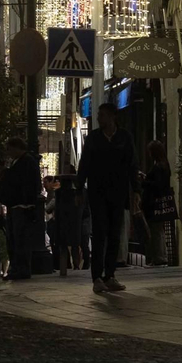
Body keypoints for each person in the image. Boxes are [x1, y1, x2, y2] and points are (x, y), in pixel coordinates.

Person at [77, 103, 136, 294]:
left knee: (114, 234)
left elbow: (131, 164)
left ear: (112, 117)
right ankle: (97, 278)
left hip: (118, 192)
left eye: (102, 115)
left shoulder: (124, 137)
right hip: (98, 193)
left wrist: (136, 190)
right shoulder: (93, 138)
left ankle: (110, 275)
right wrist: (79, 189)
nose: (99, 119)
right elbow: (84, 164)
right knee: (100, 233)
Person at [0, 137, 43, 280]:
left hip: (22, 206)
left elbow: (27, 183)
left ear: (16, 147)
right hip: (16, 205)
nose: (8, 152)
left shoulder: (27, 162)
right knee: (14, 239)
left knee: (20, 239)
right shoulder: (19, 162)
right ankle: (17, 268)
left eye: (9, 149)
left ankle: (21, 268)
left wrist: (27, 202)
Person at [141, 141, 176, 266]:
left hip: (155, 203)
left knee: (156, 231)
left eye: (150, 151)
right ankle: (160, 256)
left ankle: (159, 256)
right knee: (158, 230)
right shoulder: (164, 165)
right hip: (159, 202)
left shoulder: (158, 167)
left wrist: (144, 181)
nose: (149, 154)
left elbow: (157, 185)